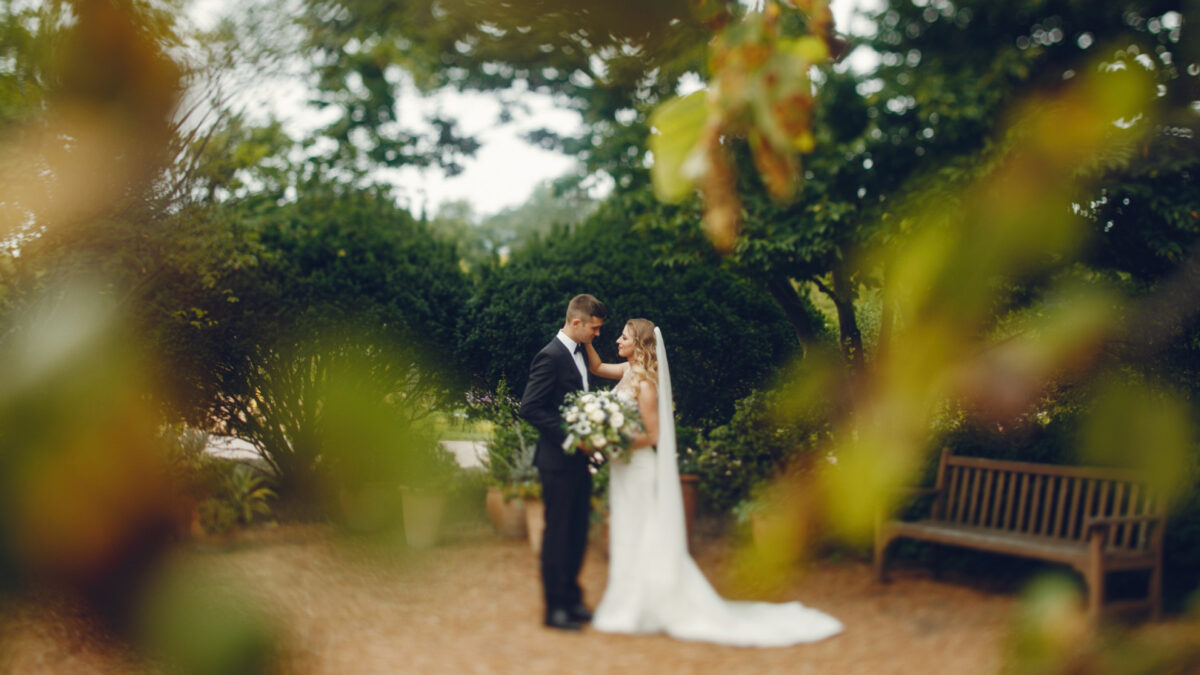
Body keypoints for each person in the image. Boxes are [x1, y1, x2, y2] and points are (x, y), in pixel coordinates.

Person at [584, 319, 844, 646]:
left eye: (624, 337)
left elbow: (654, 435)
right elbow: (595, 367)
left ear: (640, 345)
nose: (617, 340)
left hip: (639, 469)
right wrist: (586, 337)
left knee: (645, 532)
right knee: (627, 531)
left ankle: (647, 605)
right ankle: (630, 602)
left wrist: (614, 439)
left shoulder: (646, 385)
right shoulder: (626, 372)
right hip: (623, 470)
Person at [519, 293, 608, 631]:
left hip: (579, 463)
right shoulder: (550, 356)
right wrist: (571, 439)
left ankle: (572, 599)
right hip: (557, 462)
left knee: (577, 532)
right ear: (576, 322)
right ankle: (555, 608)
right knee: (557, 534)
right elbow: (530, 408)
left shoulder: (582, 352)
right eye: (594, 328)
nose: (597, 334)